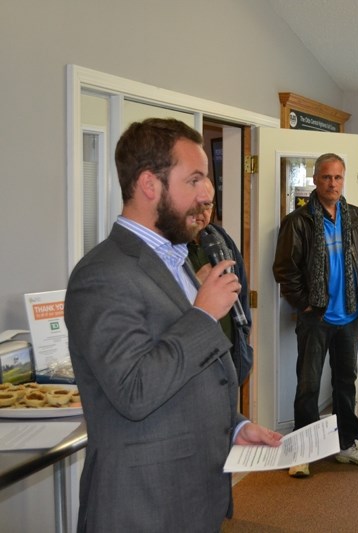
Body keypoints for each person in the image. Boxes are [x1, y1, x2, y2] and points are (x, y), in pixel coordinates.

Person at [64, 118, 282, 531]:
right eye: (195, 179)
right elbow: (134, 389)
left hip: (192, 495)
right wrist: (201, 315)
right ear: (150, 184)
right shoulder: (102, 274)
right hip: (143, 505)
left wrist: (234, 427)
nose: (209, 193)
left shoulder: (176, 260)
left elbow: (184, 373)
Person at [273, 152, 358, 477]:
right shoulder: (299, 221)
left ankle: (348, 444)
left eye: (337, 177)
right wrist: (305, 302)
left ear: (343, 180)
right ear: (315, 180)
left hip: (350, 319)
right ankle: (302, 451)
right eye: (325, 177)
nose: (332, 183)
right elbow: (284, 268)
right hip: (316, 319)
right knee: (308, 386)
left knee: (345, 386)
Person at [187, 178, 253, 385]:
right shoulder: (170, 247)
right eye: (196, 204)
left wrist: (244, 333)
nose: (202, 212)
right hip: (193, 351)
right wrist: (197, 285)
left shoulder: (220, 238)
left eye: (207, 205)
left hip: (229, 345)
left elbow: (241, 289)